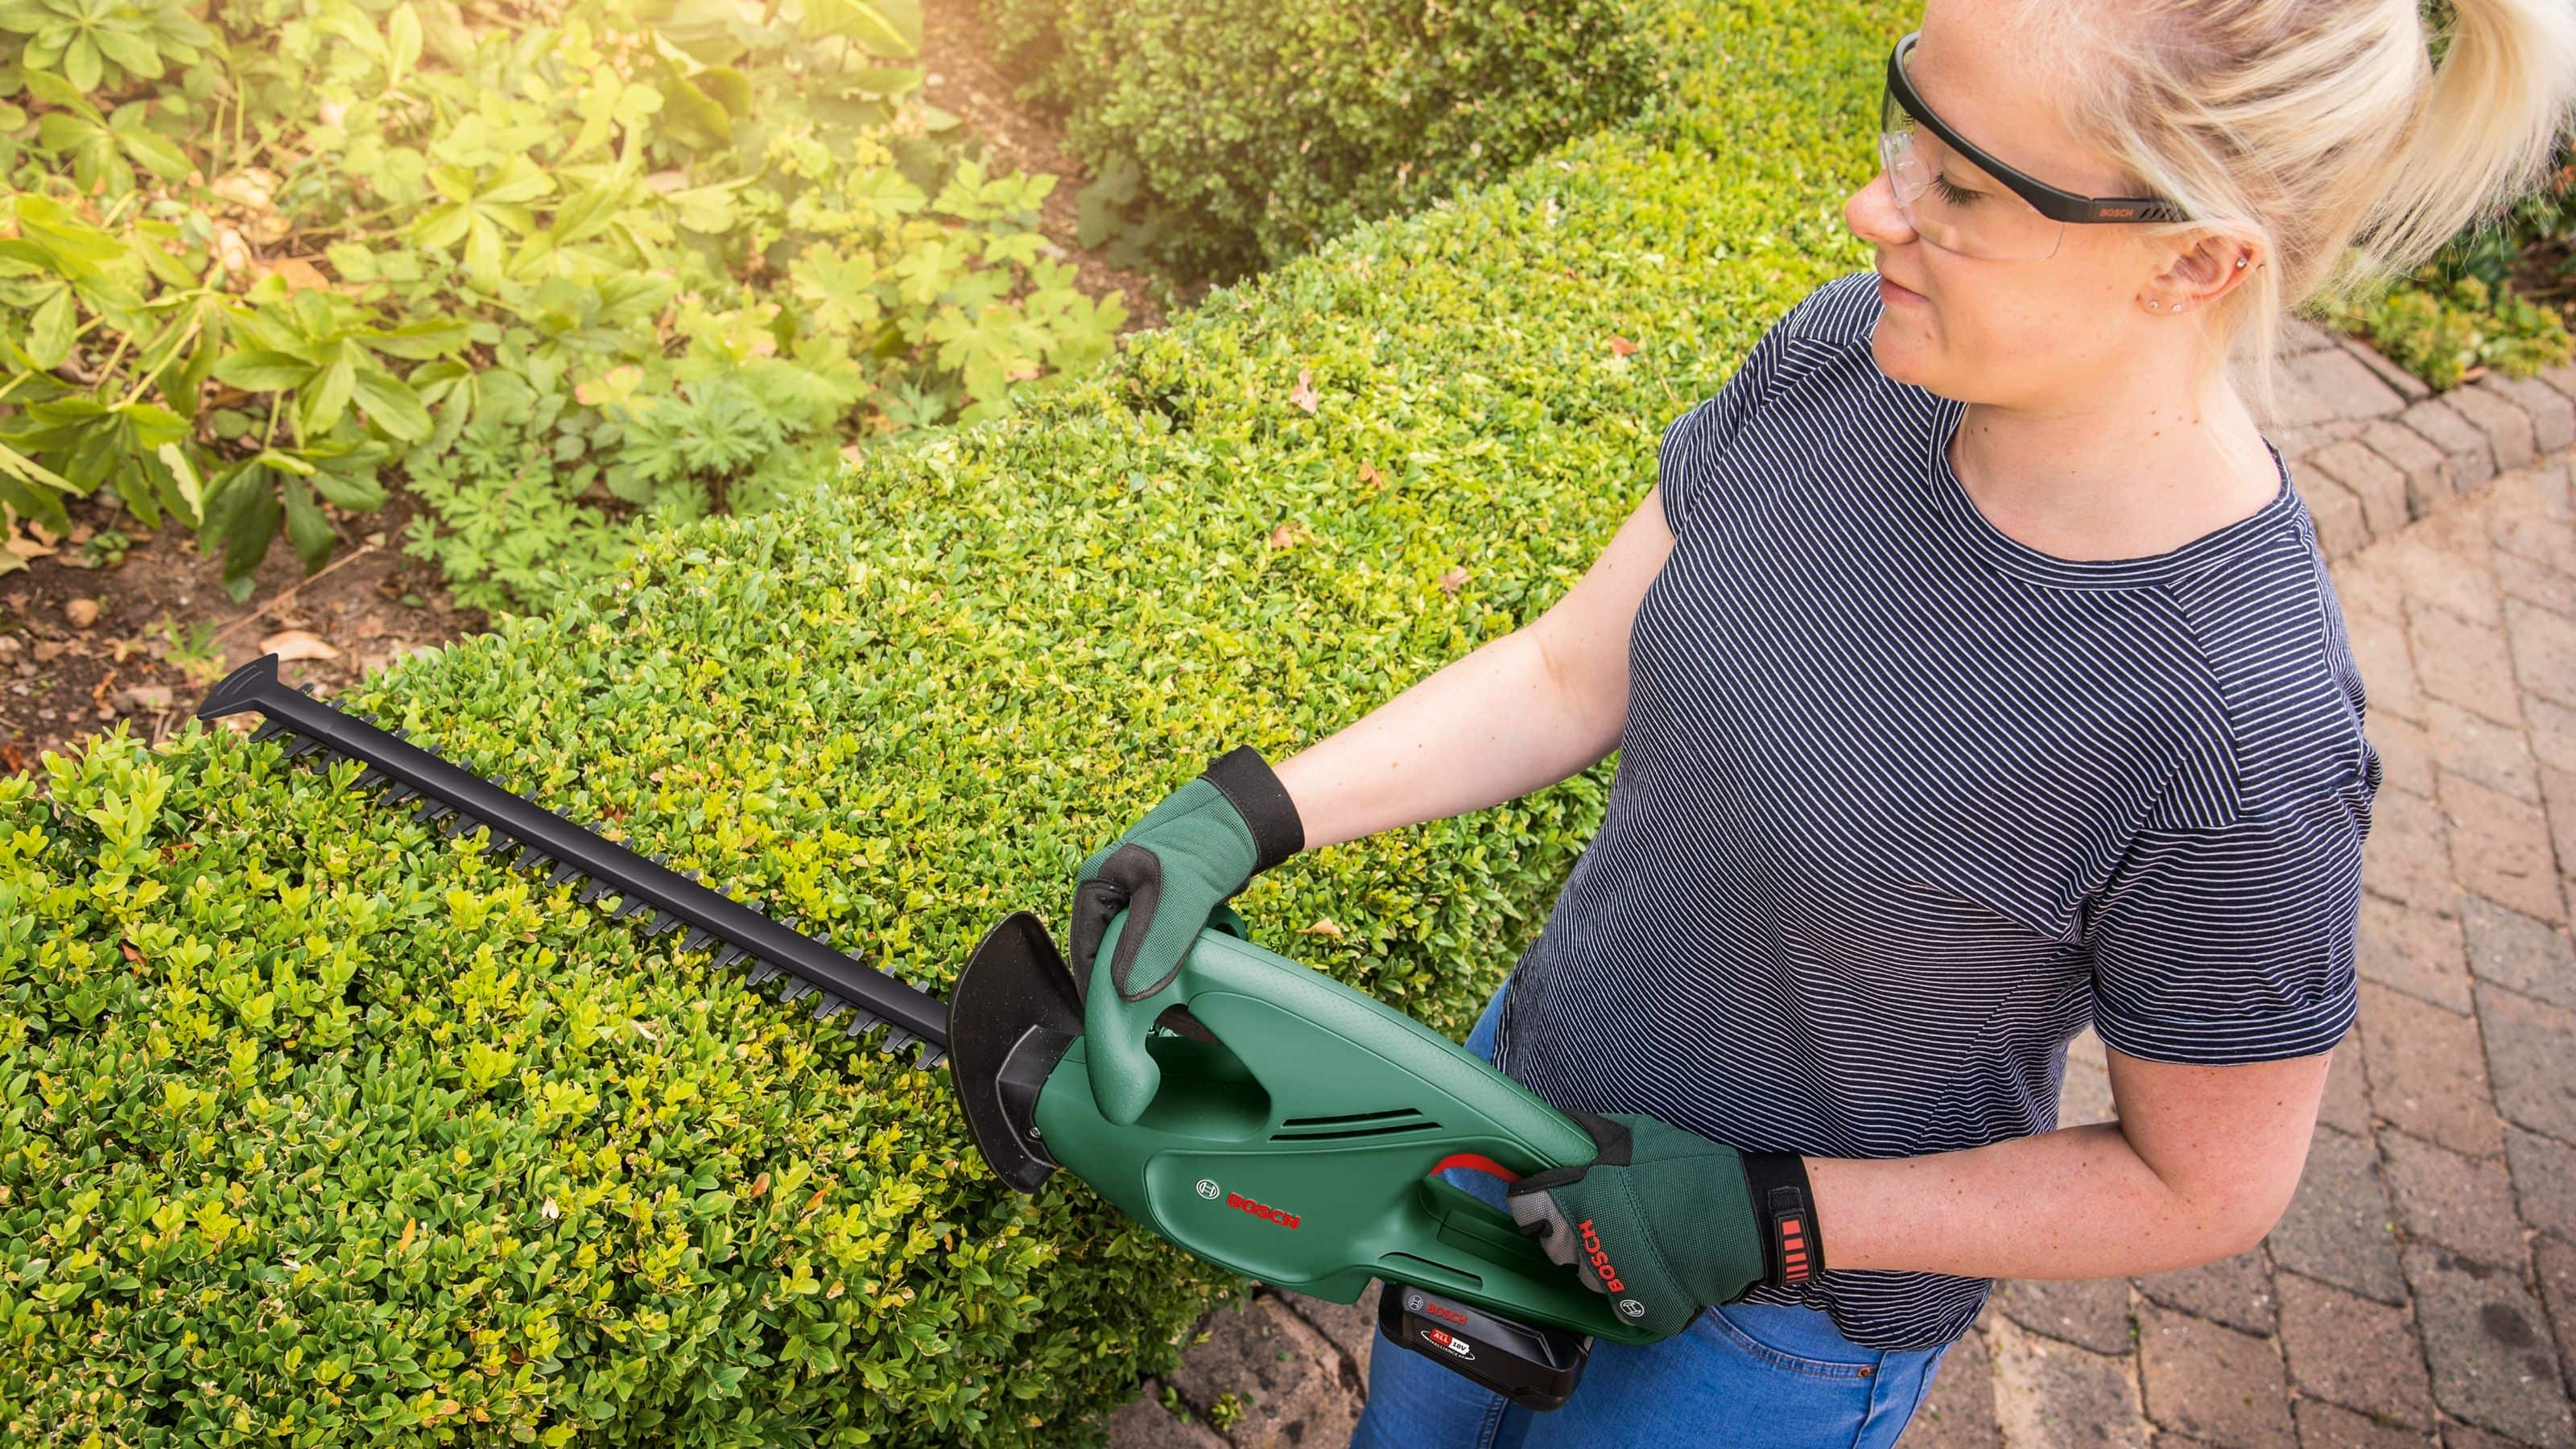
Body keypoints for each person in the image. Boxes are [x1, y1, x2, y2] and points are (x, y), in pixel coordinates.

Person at [1065, 0, 2576, 1443]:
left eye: (1965, 191)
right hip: (1505, 1124)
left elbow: (2206, 1185)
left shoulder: (2236, 723)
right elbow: (1570, 673)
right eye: (1905, 122)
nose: (1874, 206)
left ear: (2193, 266)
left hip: (1765, 1332)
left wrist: (1774, 1213)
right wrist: (1246, 813)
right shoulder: (1847, 358)